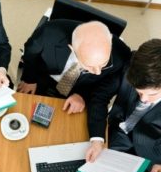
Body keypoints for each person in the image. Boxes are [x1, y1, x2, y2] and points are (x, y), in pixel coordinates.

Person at [18, 20, 131, 159]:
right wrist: (30, 79)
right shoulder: (48, 33)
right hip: (44, 78)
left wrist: (82, 95)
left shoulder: (121, 55)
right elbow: (30, 54)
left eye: (103, 64)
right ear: (72, 49)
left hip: (80, 89)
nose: (97, 72)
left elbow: (102, 90)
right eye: (89, 66)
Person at [106, 39, 161, 172]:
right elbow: (102, 92)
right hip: (119, 131)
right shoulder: (134, 63)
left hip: (155, 156)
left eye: (151, 94)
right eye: (139, 92)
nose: (143, 99)